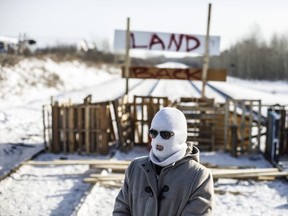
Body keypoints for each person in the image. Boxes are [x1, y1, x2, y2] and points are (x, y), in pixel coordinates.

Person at [113, 107, 214, 216]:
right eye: (153, 133)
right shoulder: (135, 168)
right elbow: (121, 210)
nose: (158, 139)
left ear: (180, 137)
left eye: (165, 134)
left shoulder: (199, 177)